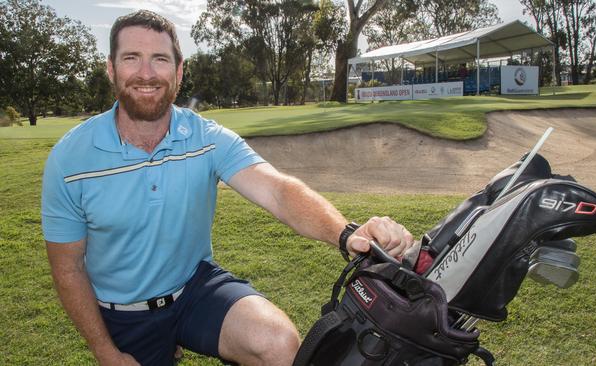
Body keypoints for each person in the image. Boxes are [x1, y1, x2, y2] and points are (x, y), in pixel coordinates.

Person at [41, 10, 414, 366]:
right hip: (124, 313)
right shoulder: (71, 160)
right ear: (110, 68)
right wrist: (105, 352)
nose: (146, 73)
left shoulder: (205, 138)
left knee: (277, 343)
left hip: (192, 287)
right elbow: (68, 268)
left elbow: (277, 190)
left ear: (179, 71)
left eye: (159, 59)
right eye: (131, 58)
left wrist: (347, 233)